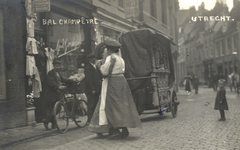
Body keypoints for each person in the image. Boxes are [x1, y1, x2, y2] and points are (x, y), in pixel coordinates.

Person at [88, 40, 141, 139]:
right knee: (122, 106)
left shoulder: (111, 58)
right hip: (121, 82)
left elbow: (105, 72)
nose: (106, 51)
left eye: (107, 49)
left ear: (110, 49)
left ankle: (115, 130)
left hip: (113, 83)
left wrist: (99, 65)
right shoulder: (121, 59)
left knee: (112, 106)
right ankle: (124, 129)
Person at [43, 59, 76, 130]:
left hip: (56, 93)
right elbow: (51, 83)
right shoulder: (50, 73)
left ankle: (53, 124)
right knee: (56, 109)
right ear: (54, 66)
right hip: (51, 94)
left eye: (59, 66)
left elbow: (63, 80)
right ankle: (47, 120)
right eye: (56, 66)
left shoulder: (58, 73)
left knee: (55, 109)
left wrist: (72, 80)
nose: (58, 67)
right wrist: (58, 86)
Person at [84, 53, 102, 124]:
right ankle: (89, 120)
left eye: (95, 58)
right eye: (93, 58)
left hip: (97, 89)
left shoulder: (95, 67)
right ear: (90, 59)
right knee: (91, 105)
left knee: (96, 104)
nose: (94, 59)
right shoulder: (87, 68)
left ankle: (94, 119)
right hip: (91, 90)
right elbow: (88, 80)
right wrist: (92, 89)